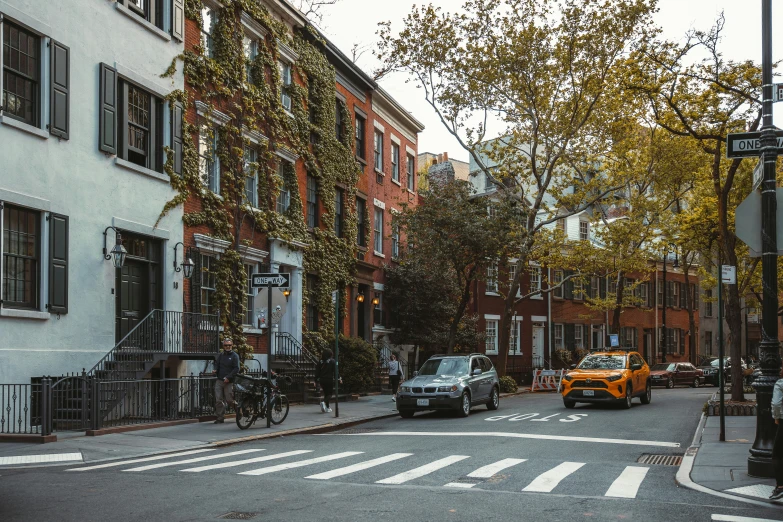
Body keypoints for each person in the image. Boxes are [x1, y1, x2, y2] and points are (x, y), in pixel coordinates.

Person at [212, 338, 239, 424]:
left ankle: (239, 410)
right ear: (223, 346)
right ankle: (220, 417)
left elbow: (236, 369)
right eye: (226, 345)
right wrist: (215, 370)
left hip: (229, 382)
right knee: (218, 400)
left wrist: (228, 377)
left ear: (232, 345)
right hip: (219, 380)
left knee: (229, 400)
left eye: (229, 345)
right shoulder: (221, 355)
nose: (228, 347)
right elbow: (217, 364)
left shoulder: (235, 356)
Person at [771, 366, 783, 499]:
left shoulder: (780, 384)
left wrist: (777, 417)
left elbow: (776, 403)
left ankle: (780, 486)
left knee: (777, 454)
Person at [316, 349, 341, 413]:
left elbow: (317, 372)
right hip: (329, 379)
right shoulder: (332, 361)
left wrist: (316, 380)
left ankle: (327, 407)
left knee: (326, 393)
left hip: (322, 380)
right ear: (330, 354)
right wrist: (338, 378)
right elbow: (335, 371)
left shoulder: (320, 362)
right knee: (330, 394)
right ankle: (323, 402)